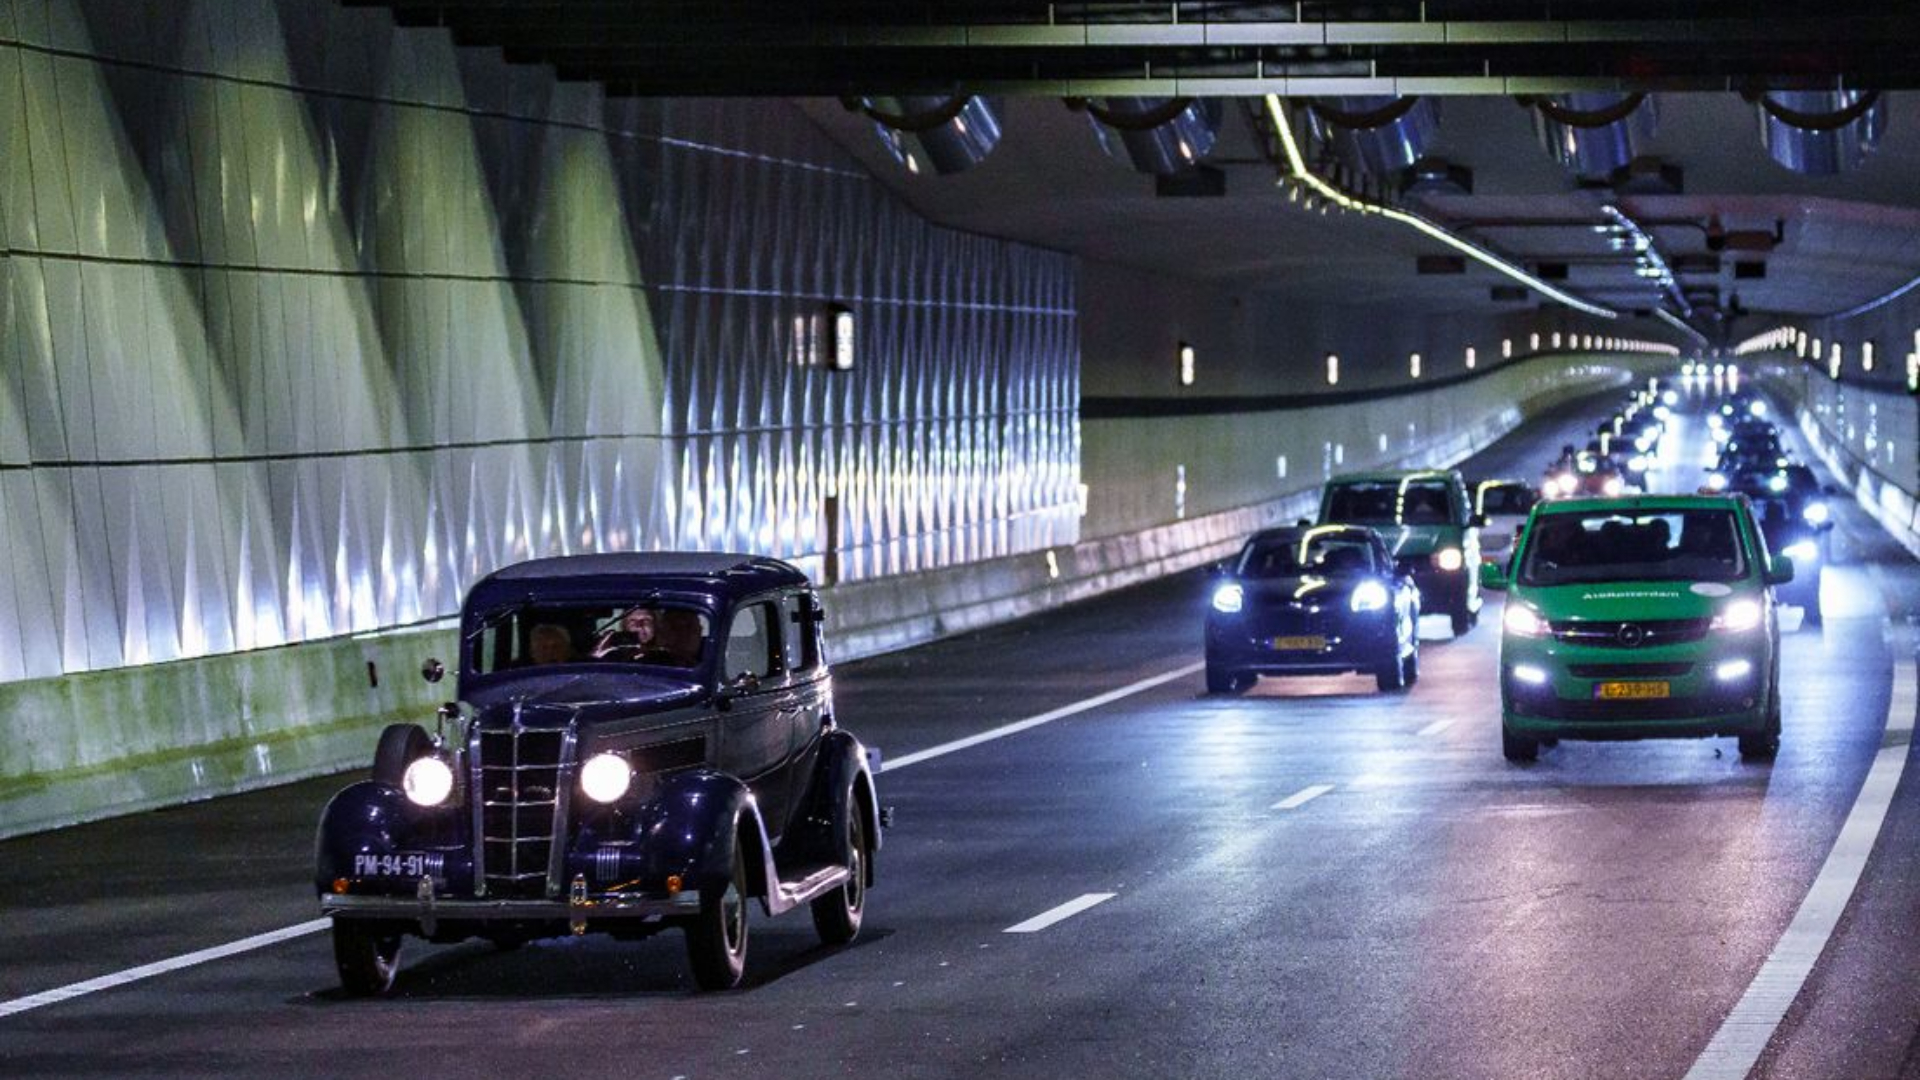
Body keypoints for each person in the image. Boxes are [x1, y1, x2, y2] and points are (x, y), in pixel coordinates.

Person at [592, 607, 658, 660]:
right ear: (624, 626)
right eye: (632, 620)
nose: (639, 625)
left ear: (655, 625)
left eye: (646, 620)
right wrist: (596, 656)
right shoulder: (611, 654)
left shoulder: (663, 655)